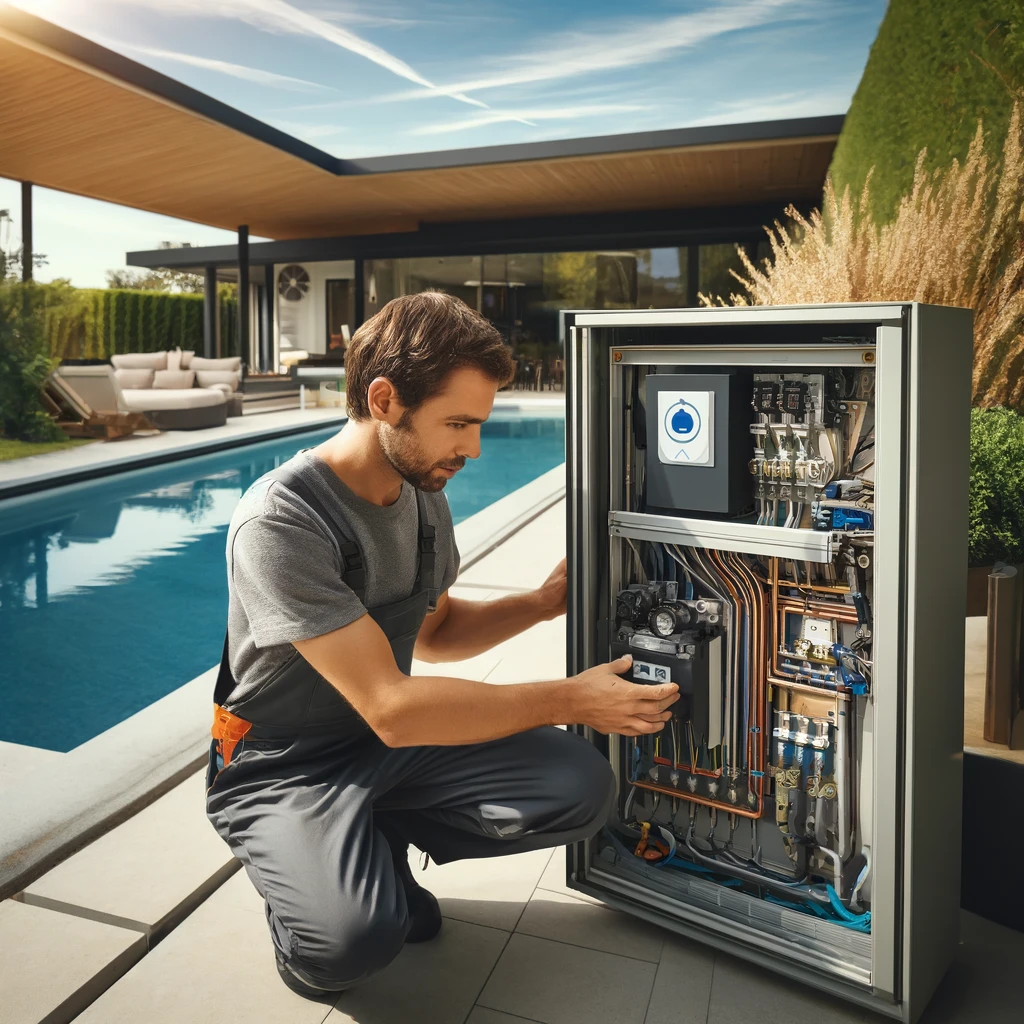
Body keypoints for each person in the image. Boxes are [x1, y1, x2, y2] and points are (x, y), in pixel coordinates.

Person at [205, 291, 678, 998]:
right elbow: (392, 705)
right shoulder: (282, 523)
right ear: (385, 398)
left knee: (580, 787)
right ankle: (306, 900)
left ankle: (374, 831)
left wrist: (543, 605)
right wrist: (573, 698)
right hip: (282, 763)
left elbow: (440, 635)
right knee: (354, 943)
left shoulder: (422, 494)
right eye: (458, 423)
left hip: (384, 746)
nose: (473, 447)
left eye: (479, 423)